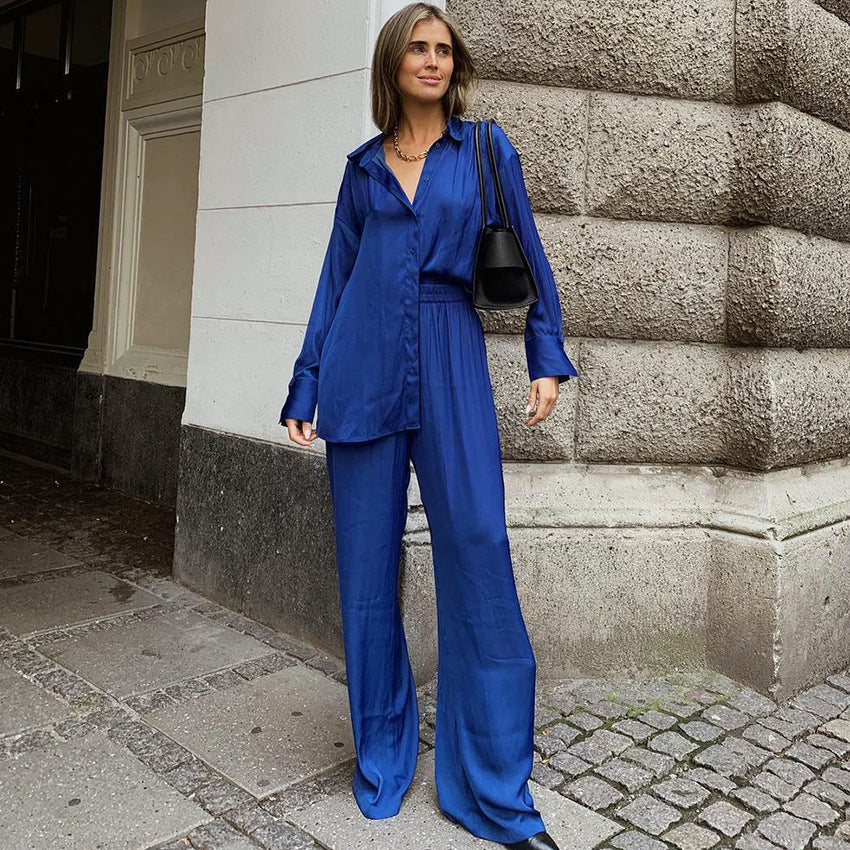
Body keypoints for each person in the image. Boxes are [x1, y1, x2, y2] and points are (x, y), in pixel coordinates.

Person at [280, 4, 578, 848]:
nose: (433, 59)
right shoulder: (362, 171)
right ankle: (381, 754)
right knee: (366, 579)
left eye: (445, 49)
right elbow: (334, 280)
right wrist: (306, 383)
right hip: (360, 368)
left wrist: (544, 354)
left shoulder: (486, 151)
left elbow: (528, 248)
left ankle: (493, 791)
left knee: (479, 550)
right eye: (418, 46)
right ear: (393, 61)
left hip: (451, 352)